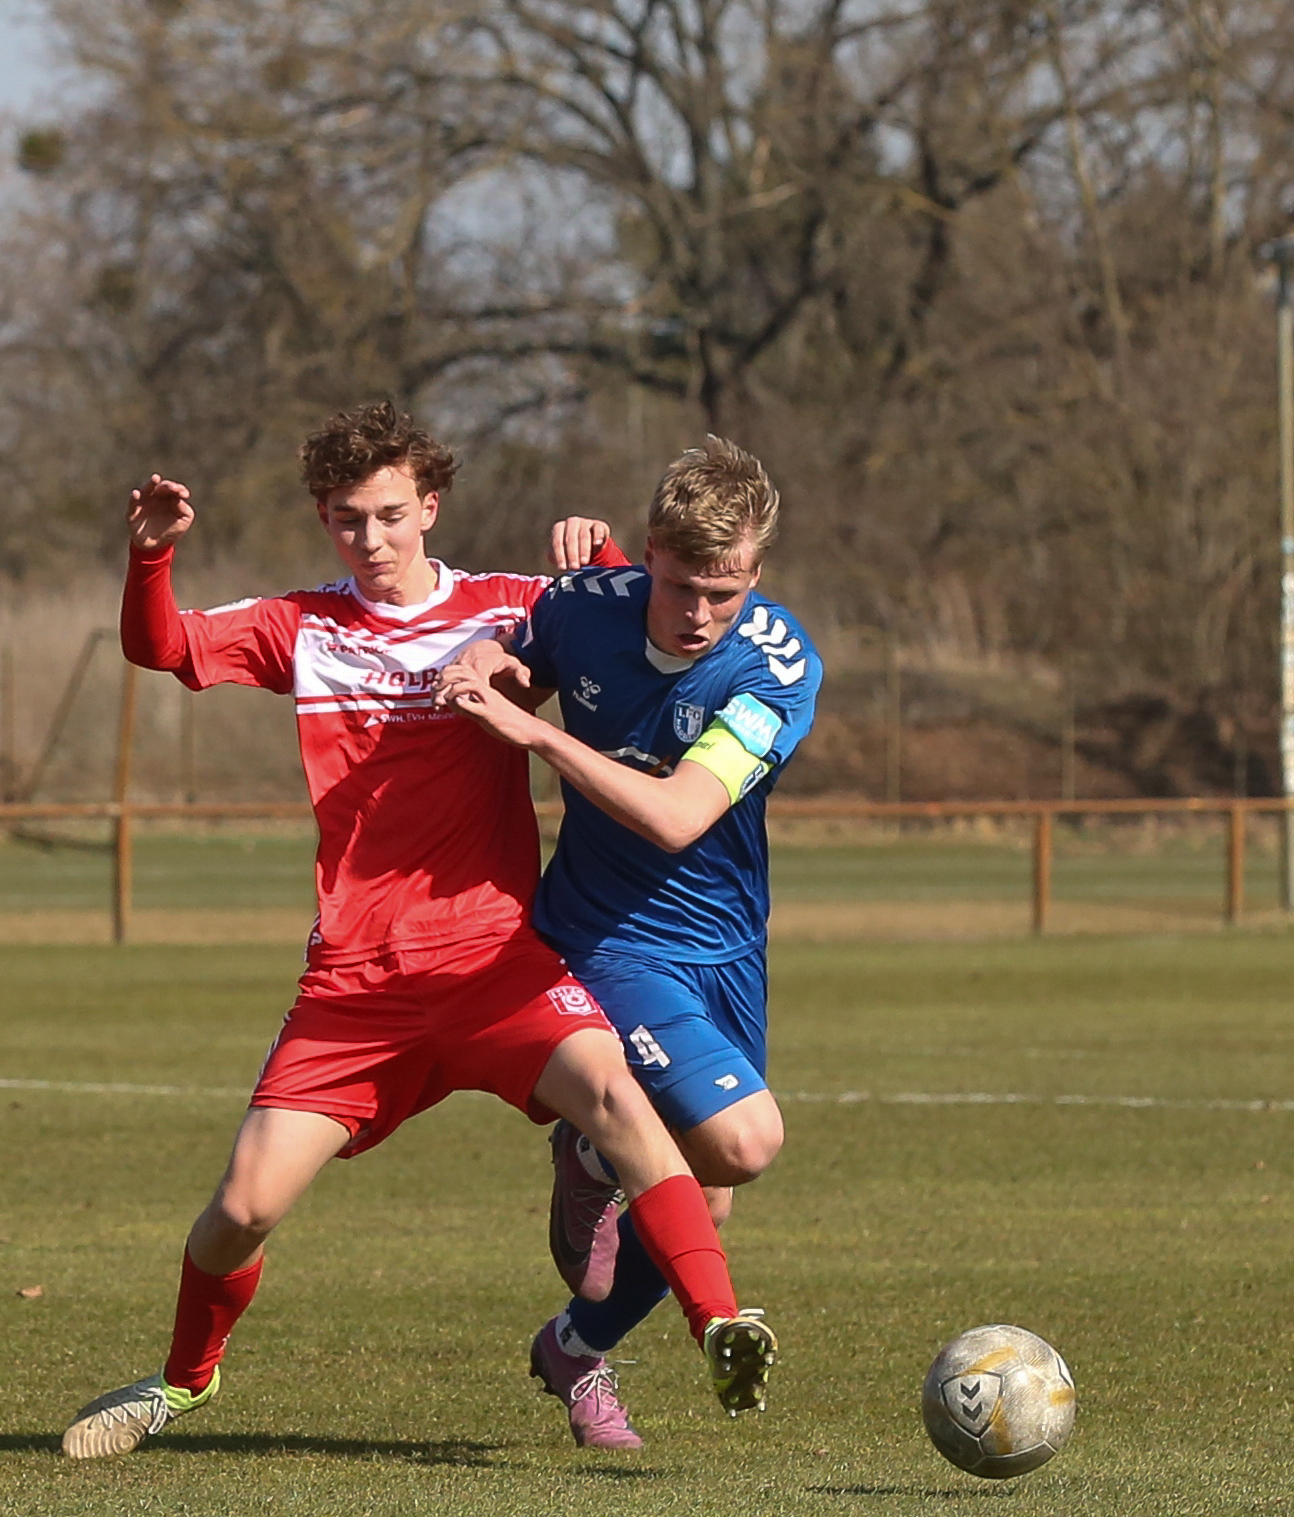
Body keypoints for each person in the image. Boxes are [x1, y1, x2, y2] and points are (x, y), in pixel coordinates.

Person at [60, 402, 777, 1461]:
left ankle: (718, 1320)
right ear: (324, 518)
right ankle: (182, 1379)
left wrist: (608, 548)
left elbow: (647, 623)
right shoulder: (299, 626)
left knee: (627, 1103)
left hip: (497, 961)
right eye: (348, 518)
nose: (372, 538)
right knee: (241, 1209)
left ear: (430, 506)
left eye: (392, 514)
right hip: (356, 985)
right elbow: (161, 645)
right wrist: (149, 557)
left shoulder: (512, 605)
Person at [435, 437, 818, 1450]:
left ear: (757, 573)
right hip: (605, 936)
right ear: (649, 551)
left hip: (725, 947)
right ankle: (599, 1145)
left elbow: (679, 816)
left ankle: (573, 1343)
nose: (699, 613)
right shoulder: (586, 604)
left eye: (724, 592)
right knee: (746, 1139)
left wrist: (542, 739)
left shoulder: (774, 666)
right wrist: (488, 661)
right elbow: (513, 653)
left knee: (709, 1206)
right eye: (683, 583)